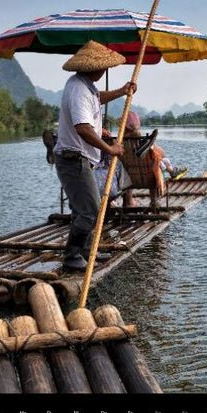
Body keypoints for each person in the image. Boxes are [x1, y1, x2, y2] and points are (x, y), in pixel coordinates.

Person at [53, 41, 137, 270]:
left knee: (84, 209)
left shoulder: (84, 85)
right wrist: (110, 149)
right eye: (104, 68)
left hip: (80, 158)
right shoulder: (79, 90)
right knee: (91, 209)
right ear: (96, 69)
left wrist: (122, 91)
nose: (105, 71)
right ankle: (72, 257)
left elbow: (98, 98)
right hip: (73, 158)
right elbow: (83, 128)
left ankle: (86, 252)